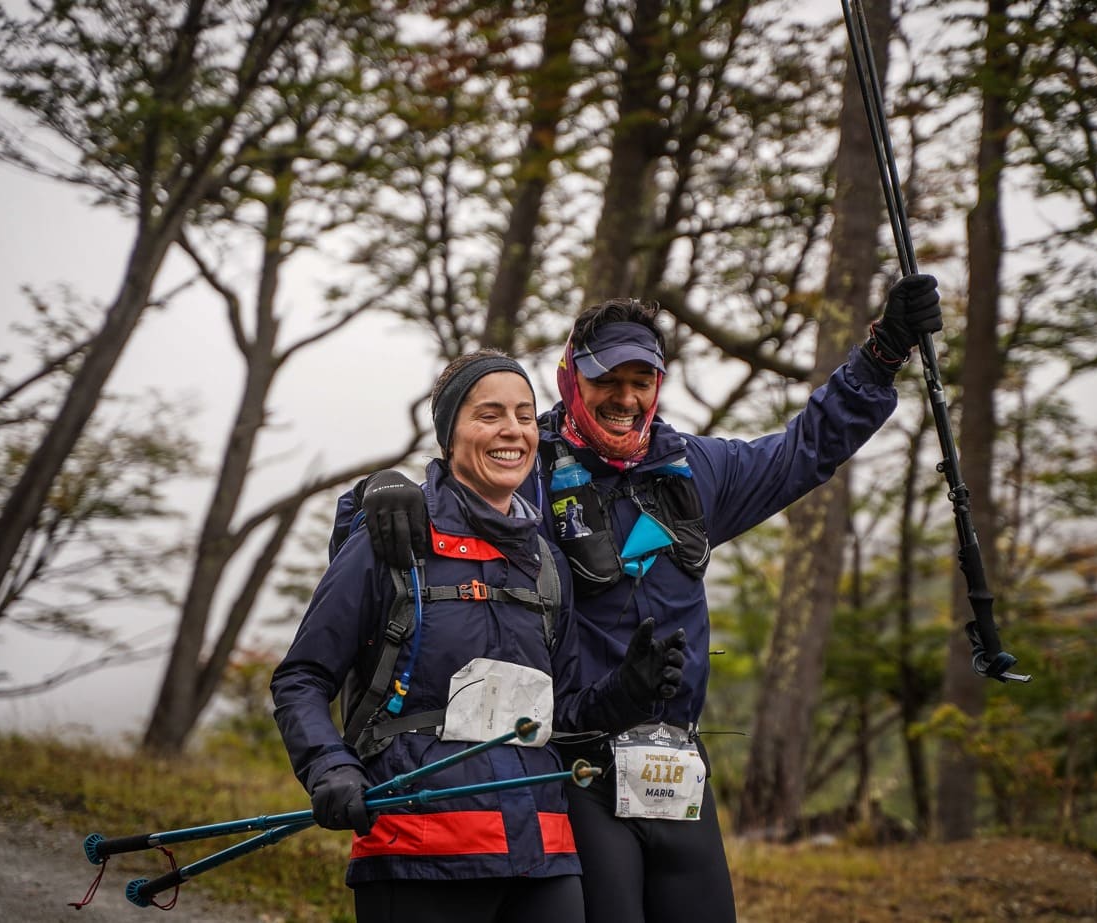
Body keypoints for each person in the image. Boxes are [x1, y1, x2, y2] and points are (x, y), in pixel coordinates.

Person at [363, 276, 943, 923]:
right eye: (609, 378)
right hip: (576, 764)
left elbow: (808, 446)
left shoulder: (695, 471)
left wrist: (884, 351)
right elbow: (450, 488)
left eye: (643, 379)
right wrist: (382, 488)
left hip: (679, 767)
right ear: (570, 379)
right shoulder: (533, 466)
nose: (626, 396)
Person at [271, 349, 688, 923]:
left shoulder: (546, 563)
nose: (512, 431)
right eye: (488, 414)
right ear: (449, 433)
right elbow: (302, 677)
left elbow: (558, 714)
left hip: (543, 855)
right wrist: (329, 766)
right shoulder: (392, 541)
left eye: (523, 414)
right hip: (418, 847)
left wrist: (628, 691)